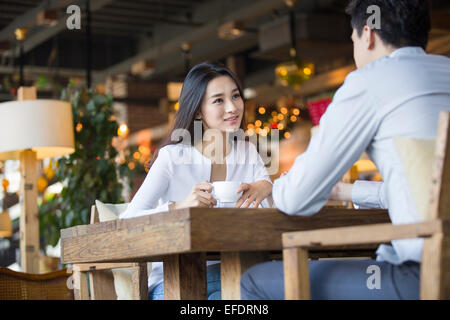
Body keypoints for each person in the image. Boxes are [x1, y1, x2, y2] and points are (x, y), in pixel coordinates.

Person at [240, 0, 450, 300]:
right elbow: (430, 189)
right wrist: (349, 193)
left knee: (254, 281)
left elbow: (296, 200)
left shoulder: (370, 81)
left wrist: (280, 186)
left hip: (425, 279)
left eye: (353, 40)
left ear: (368, 34)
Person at [120, 62, 273, 300]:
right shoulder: (173, 157)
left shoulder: (248, 153)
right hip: (174, 282)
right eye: (219, 100)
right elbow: (127, 222)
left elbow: (273, 214)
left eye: (235, 96)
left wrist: (267, 188)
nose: (232, 107)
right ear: (199, 111)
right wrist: (180, 207)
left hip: (235, 273)